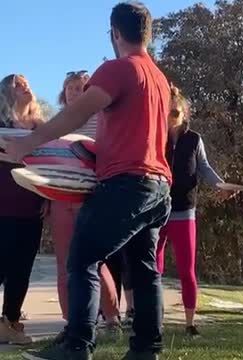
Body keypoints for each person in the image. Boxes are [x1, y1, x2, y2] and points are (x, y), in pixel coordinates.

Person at [7, 3, 172, 359]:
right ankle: (146, 349)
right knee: (145, 271)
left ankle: (77, 345)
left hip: (126, 184)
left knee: (82, 258)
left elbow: (76, 113)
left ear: (115, 33)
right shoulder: (159, 78)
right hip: (158, 187)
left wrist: (29, 143)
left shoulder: (117, 69)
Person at [49, 71, 121, 342]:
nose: (75, 92)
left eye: (81, 88)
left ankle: (112, 317)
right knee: (63, 263)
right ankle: (70, 323)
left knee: (91, 259)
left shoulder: (100, 118)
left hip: (89, 196)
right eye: (70, 88)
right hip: (59, 197)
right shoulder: (55, 123)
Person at [156, 85, 233, 336]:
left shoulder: (193, 139)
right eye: (167, 112)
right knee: (152, 267)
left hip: (184, 211)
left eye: (176, 112)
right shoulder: (156, 136)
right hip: (156, 210)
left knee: (186, 270)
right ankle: (152, 318)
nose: (171, 117)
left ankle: (189, 323)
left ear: (185, 114)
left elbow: (204, 168)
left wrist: (220, 185)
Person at [0, 74, 46, 345]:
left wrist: (49, 199)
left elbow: (52, 166)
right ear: (6, 93)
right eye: (17, 83)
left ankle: (12, 322)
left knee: (22, 267)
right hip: (1, 205)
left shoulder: (42, 128)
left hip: (31, 206)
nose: (25, 85)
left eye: (27, 81)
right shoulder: (1, 125)